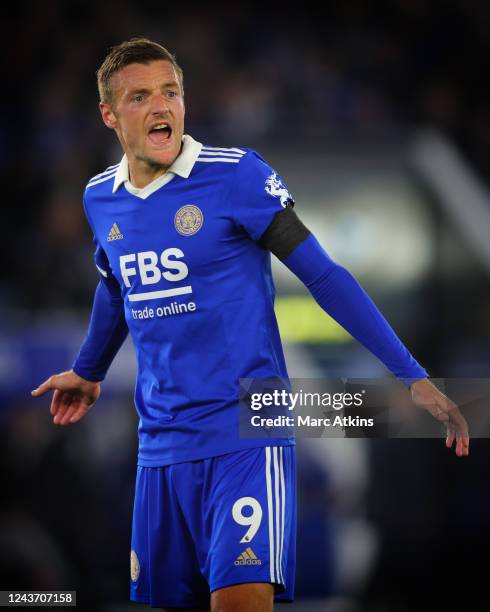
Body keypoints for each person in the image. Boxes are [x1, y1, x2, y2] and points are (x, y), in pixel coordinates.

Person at [31, 38, 470, 611]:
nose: (162, 106)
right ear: (110, 115)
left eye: (171, 92)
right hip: (160, 447)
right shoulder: (100, 198)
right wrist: (89, 371)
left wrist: (409, 374)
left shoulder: (235, 176)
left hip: (245, 434)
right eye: (140, 97)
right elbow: (116, 287)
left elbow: (325, 277)